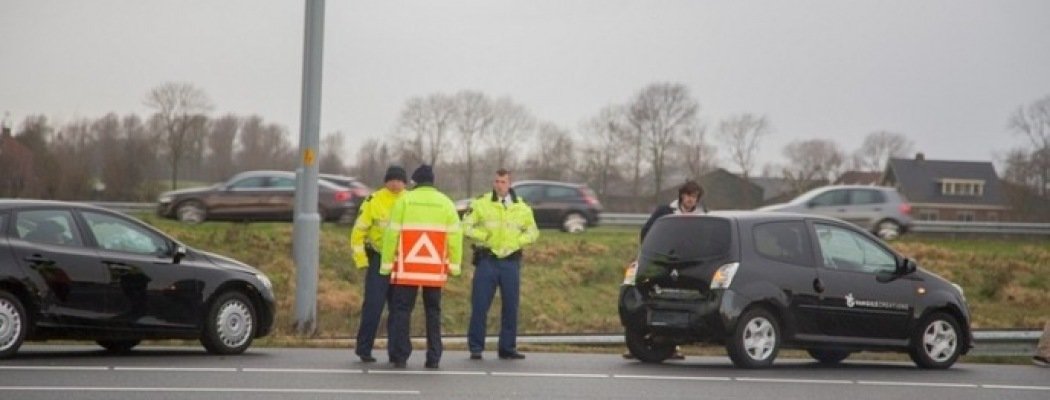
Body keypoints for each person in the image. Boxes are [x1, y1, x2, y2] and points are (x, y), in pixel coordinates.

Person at [380, 165, 462, 369]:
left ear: (415, 182)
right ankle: (433, 357)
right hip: (434, 271)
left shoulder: (404, 201)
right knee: (433, 312)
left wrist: (386, 265)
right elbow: (455, 237)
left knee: (401, 311)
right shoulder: (446, 203)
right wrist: (454, 266)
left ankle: (400, 356)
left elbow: (391, 235)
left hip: (407, 269)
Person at [624, 180, 706, 361]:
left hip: (687, 265)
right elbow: (647, 231)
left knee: (679, 302)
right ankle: (637, 345)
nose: (690, 200)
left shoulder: (702, 216)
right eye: (688, 195)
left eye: (694, 197)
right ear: (681, 196)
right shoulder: (665, 212)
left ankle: (673, 346)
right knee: (650, 300)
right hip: (663, 262)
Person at [464, 168, 539, 360]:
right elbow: (465, 226)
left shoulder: (521, 208)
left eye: (503, 182)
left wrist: (517, 242)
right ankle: (476, 347)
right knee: (480, 304)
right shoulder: (481, 204)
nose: (499, 185)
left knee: (510, 306)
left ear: (510, 183)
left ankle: (507, 347)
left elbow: (533, 232)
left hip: (510, 261)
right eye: (496, 181)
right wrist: (484, 236)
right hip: (487, 260)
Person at [349, 165, 407, 363]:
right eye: (392, 180)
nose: (395, 183)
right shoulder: (374, 200)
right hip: (378, 259)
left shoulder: (410, 200)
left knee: (399, 309)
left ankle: (397, 353)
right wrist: (362, 261)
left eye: (399, 180)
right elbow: (358, 232)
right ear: (386, 181)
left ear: (405, 182)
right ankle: (364, 349)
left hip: (401, 261)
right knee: (373, 306)